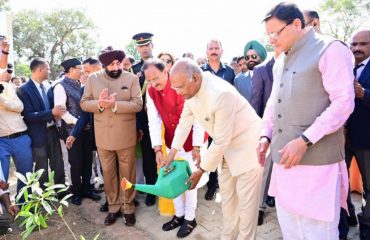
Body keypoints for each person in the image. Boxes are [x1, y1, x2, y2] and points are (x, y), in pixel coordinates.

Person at [258, 3, 354, 239]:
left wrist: (304, 141)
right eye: (267, 34)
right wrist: (265, 135)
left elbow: (343, 103)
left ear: (297, 24)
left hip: (318, 165)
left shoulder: (330, 49)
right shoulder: (281, 59)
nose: (271, 40)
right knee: (290, 228)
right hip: (284, 162)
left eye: (275, 32)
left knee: (317, 231)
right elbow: (273, 101)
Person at [167, 59, 263, 239]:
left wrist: (201, 170)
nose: (179, 93)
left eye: (180, 87)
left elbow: (220, 140)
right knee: (228, 202)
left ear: (195, 78)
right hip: (226, 151)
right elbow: (184, 123)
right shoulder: (191, 92)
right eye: (175, 89)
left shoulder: (220, 94)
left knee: (246, 207)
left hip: (248, 148)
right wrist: (172, 153)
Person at [143, 59, 208, 238]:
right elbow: (153, 120)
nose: (154, 84)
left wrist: (197, 146)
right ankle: (178, 215)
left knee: (190, 180)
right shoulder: (150, 92)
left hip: (193, 141)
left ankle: (190, 217)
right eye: (149, 81)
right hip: (171, 142)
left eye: (156, 78)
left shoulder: (181, 84)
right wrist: (157, 149)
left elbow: (197, 118)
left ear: (166, 72)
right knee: (172, 177)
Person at [81, 46, 142, 226]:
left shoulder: (131, 78)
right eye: (111, 64)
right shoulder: (93, 79)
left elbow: (138, 104)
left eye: (118, 63)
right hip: (103, 138)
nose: (116, 67)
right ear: (104, 65)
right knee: (108, 174)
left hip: (125, 137)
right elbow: (84, 103)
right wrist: (100, 104)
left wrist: (115, 105)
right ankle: (113, 208)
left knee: (127, 174)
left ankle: (128, 208)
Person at [54, 58, 101, 205]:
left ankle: (87, 188)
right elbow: (62, 112)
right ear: (71, 70)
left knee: (87, 160)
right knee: (75, 163)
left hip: (86, 131)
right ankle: (76, 192)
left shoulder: (81, 85)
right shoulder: (60, 87)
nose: (82, 71)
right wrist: (78, 123)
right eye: (79, 68)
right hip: (71, 132)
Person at [17, 57, 65, 188]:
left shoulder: (49, 86)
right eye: (47, 69)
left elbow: (53, 106)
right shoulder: (23, 90)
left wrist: (56, 115)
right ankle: (44, 194)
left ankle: (60, 190)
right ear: (39, 70)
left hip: (52, 131)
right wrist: (51, 112)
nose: (49, 71)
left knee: (58, 163)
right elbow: (27, 115)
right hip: (37, 135)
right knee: (41, 166)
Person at [201, 39, 235, 201]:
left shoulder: (229, 71)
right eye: (211, 48)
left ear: (222, 51)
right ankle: (212, 185)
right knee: (210, 153)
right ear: (206, 52)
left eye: (216, 48)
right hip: (207, 120)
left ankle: (228, 185)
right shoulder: (200, 71)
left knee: (228, 153)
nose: (214, 51)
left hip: (226, 119)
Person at [346, 29, 370, 240]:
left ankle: (366, 223)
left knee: (368, 186)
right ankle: (348, 217)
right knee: (340, 183)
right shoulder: (344, 66)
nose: (357, 49)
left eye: (363, 44)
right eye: (354, 44)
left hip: (366, 139)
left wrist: (364, 94)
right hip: (341, 139)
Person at [250, 51, 277, 225]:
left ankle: (276, 198)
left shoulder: (299, 61)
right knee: (265, 169)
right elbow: (256, 101)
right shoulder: (261, 70)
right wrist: (258, 131)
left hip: (294, 128)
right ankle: (259, 207)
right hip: (268, 128)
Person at [131, 32, 158, 206]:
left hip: (163, 117)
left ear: (152, 46)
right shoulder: (134, 70)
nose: (144, 49)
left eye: (146, 45)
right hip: (144, 120)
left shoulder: (161, 64)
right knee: (148, 156)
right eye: (140, 46)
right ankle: (151, 189)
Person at [0, 77, 33, 195]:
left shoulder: (6, 86)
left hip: (21, 137)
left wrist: (2, 99)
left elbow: (19, 107)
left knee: (25, 175)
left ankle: (24, 205)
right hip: (1, 141)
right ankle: (4, 208)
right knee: (1, 176)